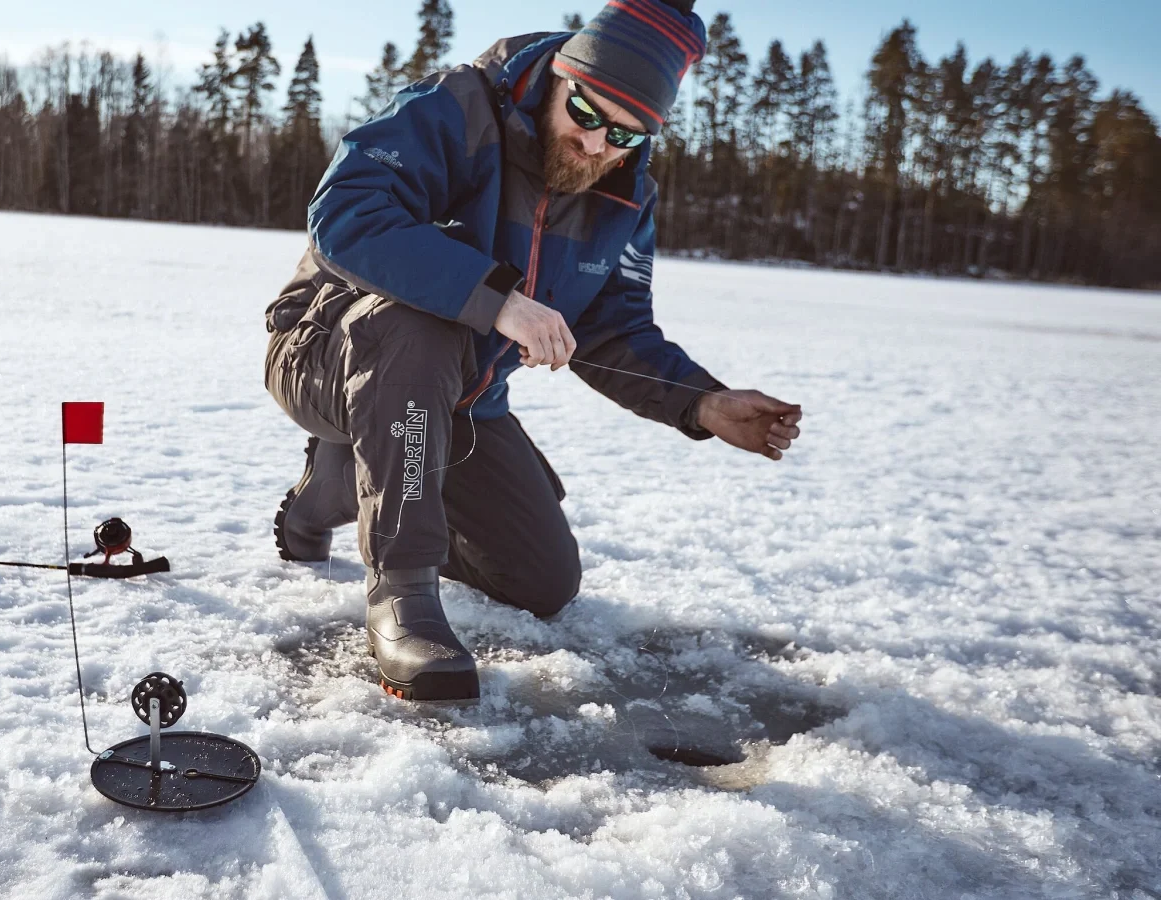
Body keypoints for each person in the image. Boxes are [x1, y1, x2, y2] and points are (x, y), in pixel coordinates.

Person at [263, 0, 803, 703]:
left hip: (459, 397)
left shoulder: (625, 198)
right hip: (325, 347)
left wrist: (700, 401)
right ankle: (404, 598)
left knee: (542, 581)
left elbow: (615, 331)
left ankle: (341, 485)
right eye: (586, 112)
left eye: (625, 135)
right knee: (423, 323)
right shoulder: (455, 108)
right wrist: (497, 299)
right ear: (559, 73)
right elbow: (347, 213)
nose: (597, 145)